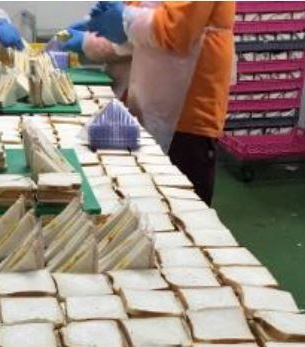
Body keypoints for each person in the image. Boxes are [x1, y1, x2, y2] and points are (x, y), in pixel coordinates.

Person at [86, 1, 235, 204]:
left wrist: (126, 19)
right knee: (141, 201)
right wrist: (102, 33)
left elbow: (178, 27)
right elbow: (144, 21)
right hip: (148, 96)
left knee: (181, 212)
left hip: (187, 108)